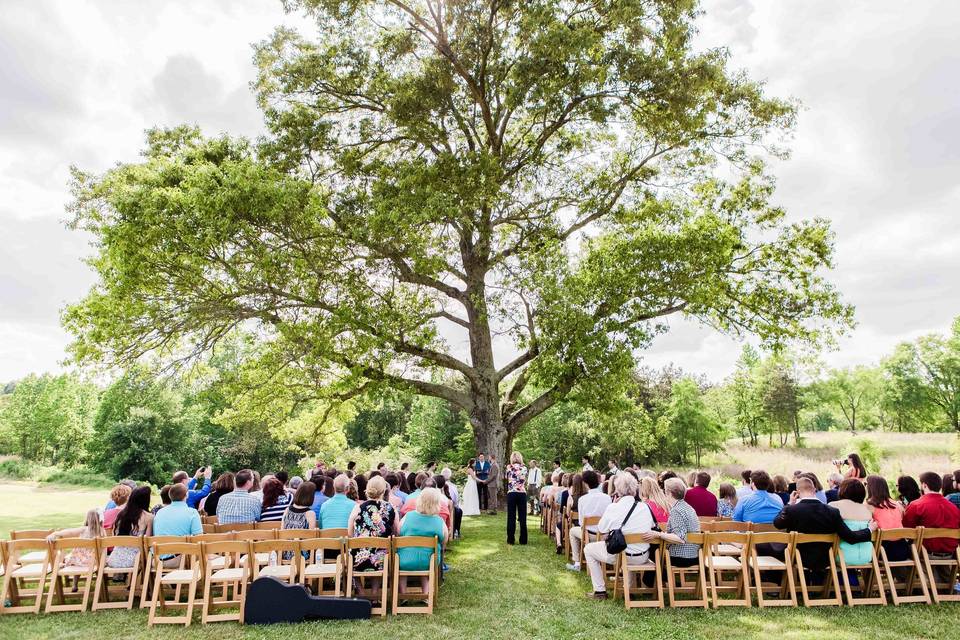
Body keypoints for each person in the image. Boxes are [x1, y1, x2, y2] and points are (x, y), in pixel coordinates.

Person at [774, 477, 875, 582]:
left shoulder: (791, 510)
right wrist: (869, 530)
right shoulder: (832, 511)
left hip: (798, 557)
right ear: (814, 490)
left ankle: (778, 583)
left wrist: (790, 503)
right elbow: (850, 537)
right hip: (825, 558)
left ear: (798, 492)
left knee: (766, 547)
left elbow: (777, 523)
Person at [583, 472, 655, 600]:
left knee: (588, 549)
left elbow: (601, 529)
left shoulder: (613, 508)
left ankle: (600, 590)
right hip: (642, 556)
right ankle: (629, 589)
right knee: (630, 546)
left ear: (618, 491)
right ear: (634, 490)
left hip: (620, 556)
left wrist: (614, 506)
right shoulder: (645, 507)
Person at [903, 471, 960, 584]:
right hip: (949, 554)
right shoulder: (953, 507)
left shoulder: (916, 505)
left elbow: (907, 530)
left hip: (925, 553)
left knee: (903, 548)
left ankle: (913, 584)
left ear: (924, 485)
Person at [645, 478, 701, 579]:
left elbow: (680, 538)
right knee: (656, 550)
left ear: (670, 494)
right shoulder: (688, 507)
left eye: (665, 491)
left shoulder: (676, 511)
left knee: (652, 550)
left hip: (682, 557)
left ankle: (653, 582)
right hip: (694, 555)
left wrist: (659, 534)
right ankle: (660, 581)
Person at [397, 488, 448, 594]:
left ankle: (403, 593)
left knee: (405, 558)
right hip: (429, 562)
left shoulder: (408, 516)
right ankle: (426, 593)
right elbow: (444, 541)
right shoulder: (439, 521)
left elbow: (399, 533)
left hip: (404, 561)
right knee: (427, 557)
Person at [348, 476, 399, 573]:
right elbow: (396, 532)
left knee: (350, 560)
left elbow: (350, 532)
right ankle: (375, 589)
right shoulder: (391, 508)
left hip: (358, 557)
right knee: (382, 553)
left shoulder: (358, 507)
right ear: (384, 491)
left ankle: (360, 589)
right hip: (382, 559)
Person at [566, 469, 611, 571]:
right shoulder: (607, 498)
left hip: (589, 535)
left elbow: (582, 523)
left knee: (572, 531)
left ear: (585, 483)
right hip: (604, 534)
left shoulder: (583, 499)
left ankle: (577, 562)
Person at [153, 482, 203, 568]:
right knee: (207, 555)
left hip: (157, 559)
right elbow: (199, 539)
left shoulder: (159, 512)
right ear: (186, 495)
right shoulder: (192, 512)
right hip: (179, 559)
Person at [829, 478, 874, 566]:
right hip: (867, 556)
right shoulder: (868, 508)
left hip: (842, 556)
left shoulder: (833, 505)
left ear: (843, 490)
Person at [865, 475, 909, 562]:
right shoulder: (897, 504)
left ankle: (869, 575)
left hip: (883, 551)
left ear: (871, 487)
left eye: (866, 484)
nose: (865, 486)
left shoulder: (869, 505)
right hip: (903, 549)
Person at [108, 486, 154, 569]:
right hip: (135, 559)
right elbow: (147, 541)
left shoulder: (121, 514)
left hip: (115, 558)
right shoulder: (148, 517)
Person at [505, 452, 528, 545]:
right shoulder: (524, 468)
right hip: (522, 493)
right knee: (522, 518)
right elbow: (524, 479)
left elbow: (507, 478)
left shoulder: (508, 467)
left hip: (512, 493)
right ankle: (523, 540)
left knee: (511, 517)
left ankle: (510, 539)